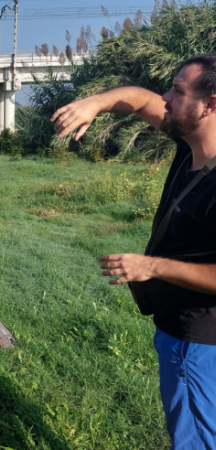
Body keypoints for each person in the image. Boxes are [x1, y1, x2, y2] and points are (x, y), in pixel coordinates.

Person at [52, 53, 216, 449]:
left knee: (196, 438)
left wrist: (153, 267)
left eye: (178, 91)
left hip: (196, 339)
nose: (166, 97)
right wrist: (96, 103)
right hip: (182, 332)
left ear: (211, 105)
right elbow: (142, 99)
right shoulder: (191, 143)